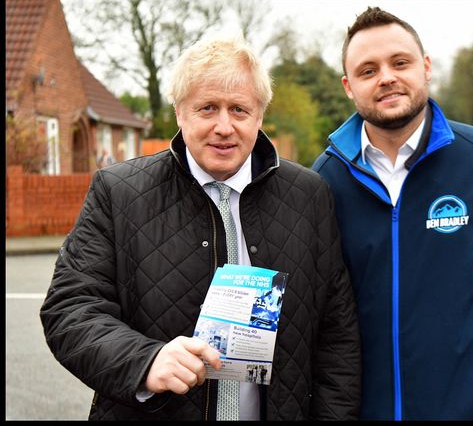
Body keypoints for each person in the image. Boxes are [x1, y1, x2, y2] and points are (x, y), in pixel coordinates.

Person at [40, 35, 361, 421]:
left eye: (239, 110)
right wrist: (145, 361)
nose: (223, 127)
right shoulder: (119, 193)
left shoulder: (310, 196)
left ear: (260, 115)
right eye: (207, 108)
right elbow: (70, 309)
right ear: (180, 112)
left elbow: (337, 334)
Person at [312, 7, 473, 421]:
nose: (386, 77)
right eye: (367, 70)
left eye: (400, 62)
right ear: (349, 87)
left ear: (425, 67)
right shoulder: (324, 182)